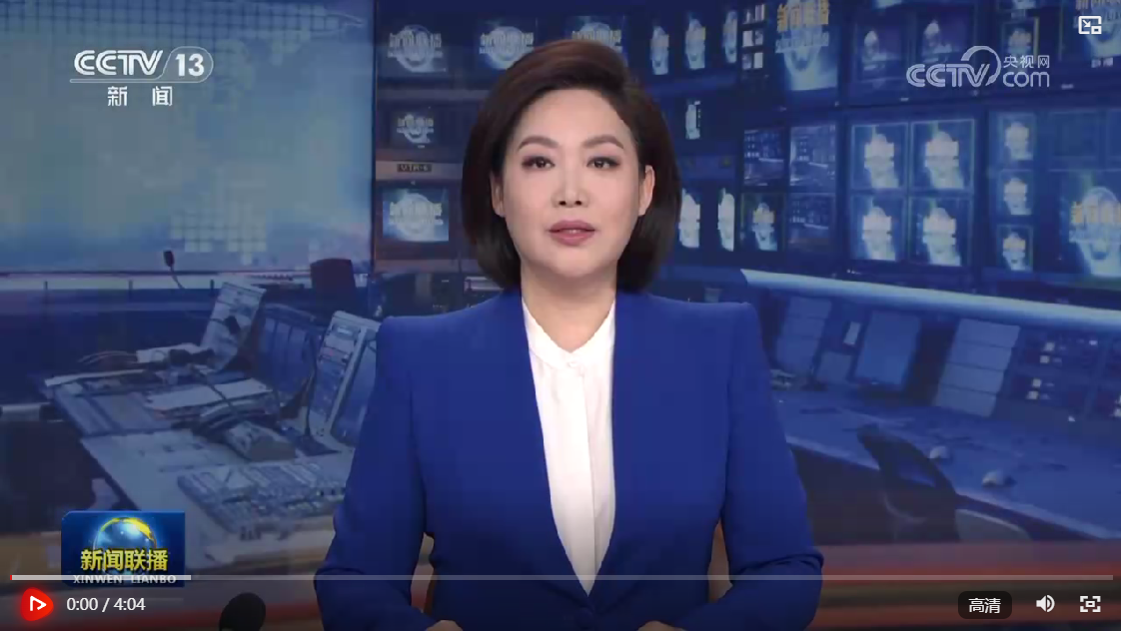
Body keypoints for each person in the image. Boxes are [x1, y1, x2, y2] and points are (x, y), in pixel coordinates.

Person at [316, 39, 823, 631]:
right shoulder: (420, 358)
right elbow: (354, 582)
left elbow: (786, 570)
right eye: (539, 162)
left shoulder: (719, 347)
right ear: (498, 191)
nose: (571, 192)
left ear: (644, 190)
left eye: (602, 162)